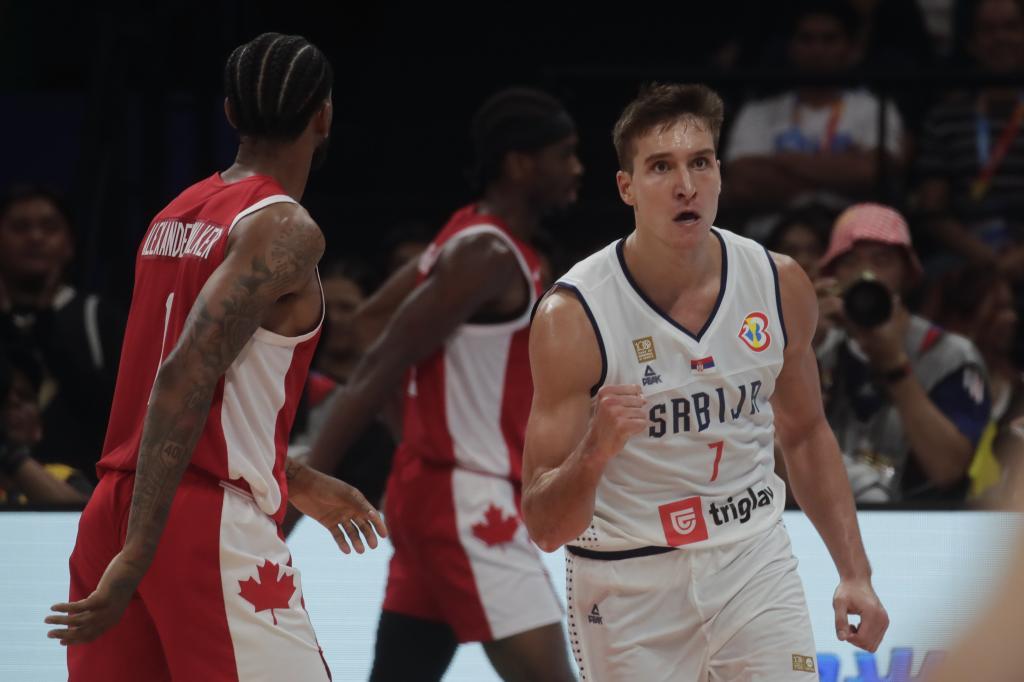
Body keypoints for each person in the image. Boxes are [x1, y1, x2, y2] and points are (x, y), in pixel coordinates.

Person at [44, 32, 386, 681]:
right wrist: (143, 555)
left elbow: (180, 387)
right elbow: (184, 374)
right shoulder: (284, 228)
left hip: (116, 505)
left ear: (229, 112)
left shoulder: (173, 216)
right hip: (195, 523)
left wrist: (297, 479)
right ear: (325, 114)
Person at [523, 83, 888, 680]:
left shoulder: (779, 283)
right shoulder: (574, 316)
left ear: (719, 173)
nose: (685, 185)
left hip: (752, 559)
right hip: (626, 577)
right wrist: (593, 454)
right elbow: (543, 527)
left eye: (699, 163)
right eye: (661, 167)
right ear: (627, 188)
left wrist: (855, 573)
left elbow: (804, 434)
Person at [305, 87, 581, 682]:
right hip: (467, 500)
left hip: (432, 492)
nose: (577, 169)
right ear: (520, 163)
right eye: (566, 154)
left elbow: (375, 321)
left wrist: (425, 436)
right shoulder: (486, 254)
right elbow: (379, 361)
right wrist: (303, 489)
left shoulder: (470, 234)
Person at [815, 204, 990, 502]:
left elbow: (949, 470)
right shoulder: (815, 347)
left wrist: (894, 364)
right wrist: (797, 343)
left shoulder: (951, 355)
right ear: (833, 276)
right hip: (828, 519)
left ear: (908, 274)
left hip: (922, 523)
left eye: (882, 261)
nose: (866, 274)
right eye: (851, 262)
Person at [723, 0, 904, 239]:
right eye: (806, 39)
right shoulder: (758, 111)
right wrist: (841, 169)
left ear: (851, 48)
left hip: (854, 241)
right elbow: (743, 183)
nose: (817, 49)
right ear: (791, 47)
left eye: (829, 39)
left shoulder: (874, 108)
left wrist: (782, 160)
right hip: (769, 242)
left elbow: (872, 173)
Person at [0, 184, 125, 482]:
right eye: (20, 227)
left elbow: (119, 419)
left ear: (70, 244)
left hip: (79, 502)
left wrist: (46, 328)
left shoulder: (99, 318)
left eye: (49, 227)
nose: (35, 237)